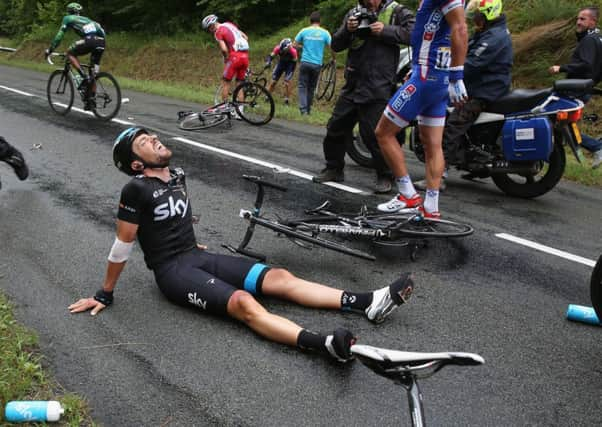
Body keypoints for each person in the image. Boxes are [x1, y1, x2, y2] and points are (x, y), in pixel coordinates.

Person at [68, 127, 415, 363]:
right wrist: (104, 294)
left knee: (278, 277)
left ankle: (368, 302)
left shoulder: (176, 176)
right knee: (243, 302)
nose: (154, 138)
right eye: (143, 141)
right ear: (136, 163)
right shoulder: (135, 189)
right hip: (173, 272)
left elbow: (178, 219)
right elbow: (123, 244)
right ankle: (323, 344)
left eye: (152, 134)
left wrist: (191, 239)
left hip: (196, 257)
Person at [375, 0, 468, 218]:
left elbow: (461, 28)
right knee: (432, 145)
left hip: (427, 78)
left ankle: (407, 194)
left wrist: (457, 75)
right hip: (436, 78)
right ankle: (431, 207)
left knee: (383, 132)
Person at [312, 0, 415, 194]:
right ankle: (333, 168)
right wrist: (348, 29)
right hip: (353, 82)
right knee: (335, 127)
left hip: (379, 84)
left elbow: (415, 35)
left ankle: (385, 176)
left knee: (375, 134)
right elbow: (336, 43)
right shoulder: (355, 12)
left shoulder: (397, 11)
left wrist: (384, 30)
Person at [414, 0, 513, 191]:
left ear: (489, 15)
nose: (475, 20)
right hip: (484, 86)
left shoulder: (494, 37)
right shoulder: (490, 32)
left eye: (479, 17)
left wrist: (449, 72)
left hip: (484, 91)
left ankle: (439, 176)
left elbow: (472, 64)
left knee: (453, 125)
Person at [549, 6, 602, 169]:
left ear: (593, 21)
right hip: (584, 88)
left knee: (557, 120)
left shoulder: (589, 40)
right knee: (563, 123)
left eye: (583, 19)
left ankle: (597, 146)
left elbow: (586, 65)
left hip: (576, 88)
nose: (578, 22)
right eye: (578, 19)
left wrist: (561, 68)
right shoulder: (598, 38)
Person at [45, 3, 106, 111]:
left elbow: (59, 35)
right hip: (101, 42)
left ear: (68, 11)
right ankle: (90, 101)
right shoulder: (87, 19)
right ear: (78, 12)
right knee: (93, 73)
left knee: (70, 53)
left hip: (90, 40)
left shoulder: (68, 18)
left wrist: (50, 49)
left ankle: (83, 76)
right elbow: (102, 32)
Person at [202, 14, 250, 105]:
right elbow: (246, 37)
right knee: (239, 84)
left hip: (235, 57)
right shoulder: (229, 24)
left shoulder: (218, 32)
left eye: (208, 28)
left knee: (225, 82)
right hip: (245, 56)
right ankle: (240, 111)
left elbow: (224, 49)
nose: (209, 31)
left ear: (212, 25)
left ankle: (224, 107)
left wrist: (226, 58)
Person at [294, 11, 335, 115]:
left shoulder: (304, 31)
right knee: (311, 87)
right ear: (320, 21)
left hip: (305, 62)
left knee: (302, 86)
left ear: (310, 21)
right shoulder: (325, 32)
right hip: (317, 64)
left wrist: (303, 47)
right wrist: (333, 58)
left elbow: (294, 45)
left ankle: (303, 110)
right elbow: (333, 47)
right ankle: (308, 110)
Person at [265, 38, 298, 105]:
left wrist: (290, 72)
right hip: (281, 63)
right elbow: (271, 56)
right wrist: (268, 62)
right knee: (273, 81)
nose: (284, 51)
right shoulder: (277, 48)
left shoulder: (293, 51)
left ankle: (286, 100)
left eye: (286, 50)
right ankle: (267, 96)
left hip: (290, 65)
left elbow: (294, 63)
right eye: (283, 50)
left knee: (287, 82)